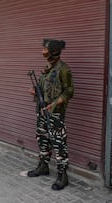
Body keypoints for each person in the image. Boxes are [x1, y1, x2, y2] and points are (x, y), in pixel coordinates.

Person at [21, 39, 74, 190]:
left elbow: (69, 91)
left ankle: (62, 176)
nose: (42, 51)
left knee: (58, 142)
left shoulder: (64, 69)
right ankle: (43, 166)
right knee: (42, 137)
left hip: (55, 113)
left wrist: (56, 103)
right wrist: (34, 90)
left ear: (53, 51)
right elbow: (43, 87)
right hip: (42, 110)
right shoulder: (48, 68)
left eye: (45, 49)